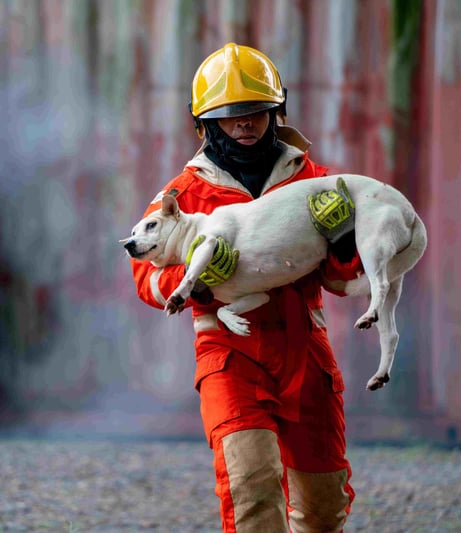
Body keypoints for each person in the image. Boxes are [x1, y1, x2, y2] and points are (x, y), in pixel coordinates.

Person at [129, 42, 362, 531]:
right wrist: (197, 283)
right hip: (231, 356)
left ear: (276, 112)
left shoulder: (314, 182)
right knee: (250, 488)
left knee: (324, 506)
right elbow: (145, 277)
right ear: (204, 124)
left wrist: (344, 242)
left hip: (306, 353)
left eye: (255, 111)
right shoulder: (183, 195)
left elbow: (345, 281)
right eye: (230, 115)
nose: (244, 124)